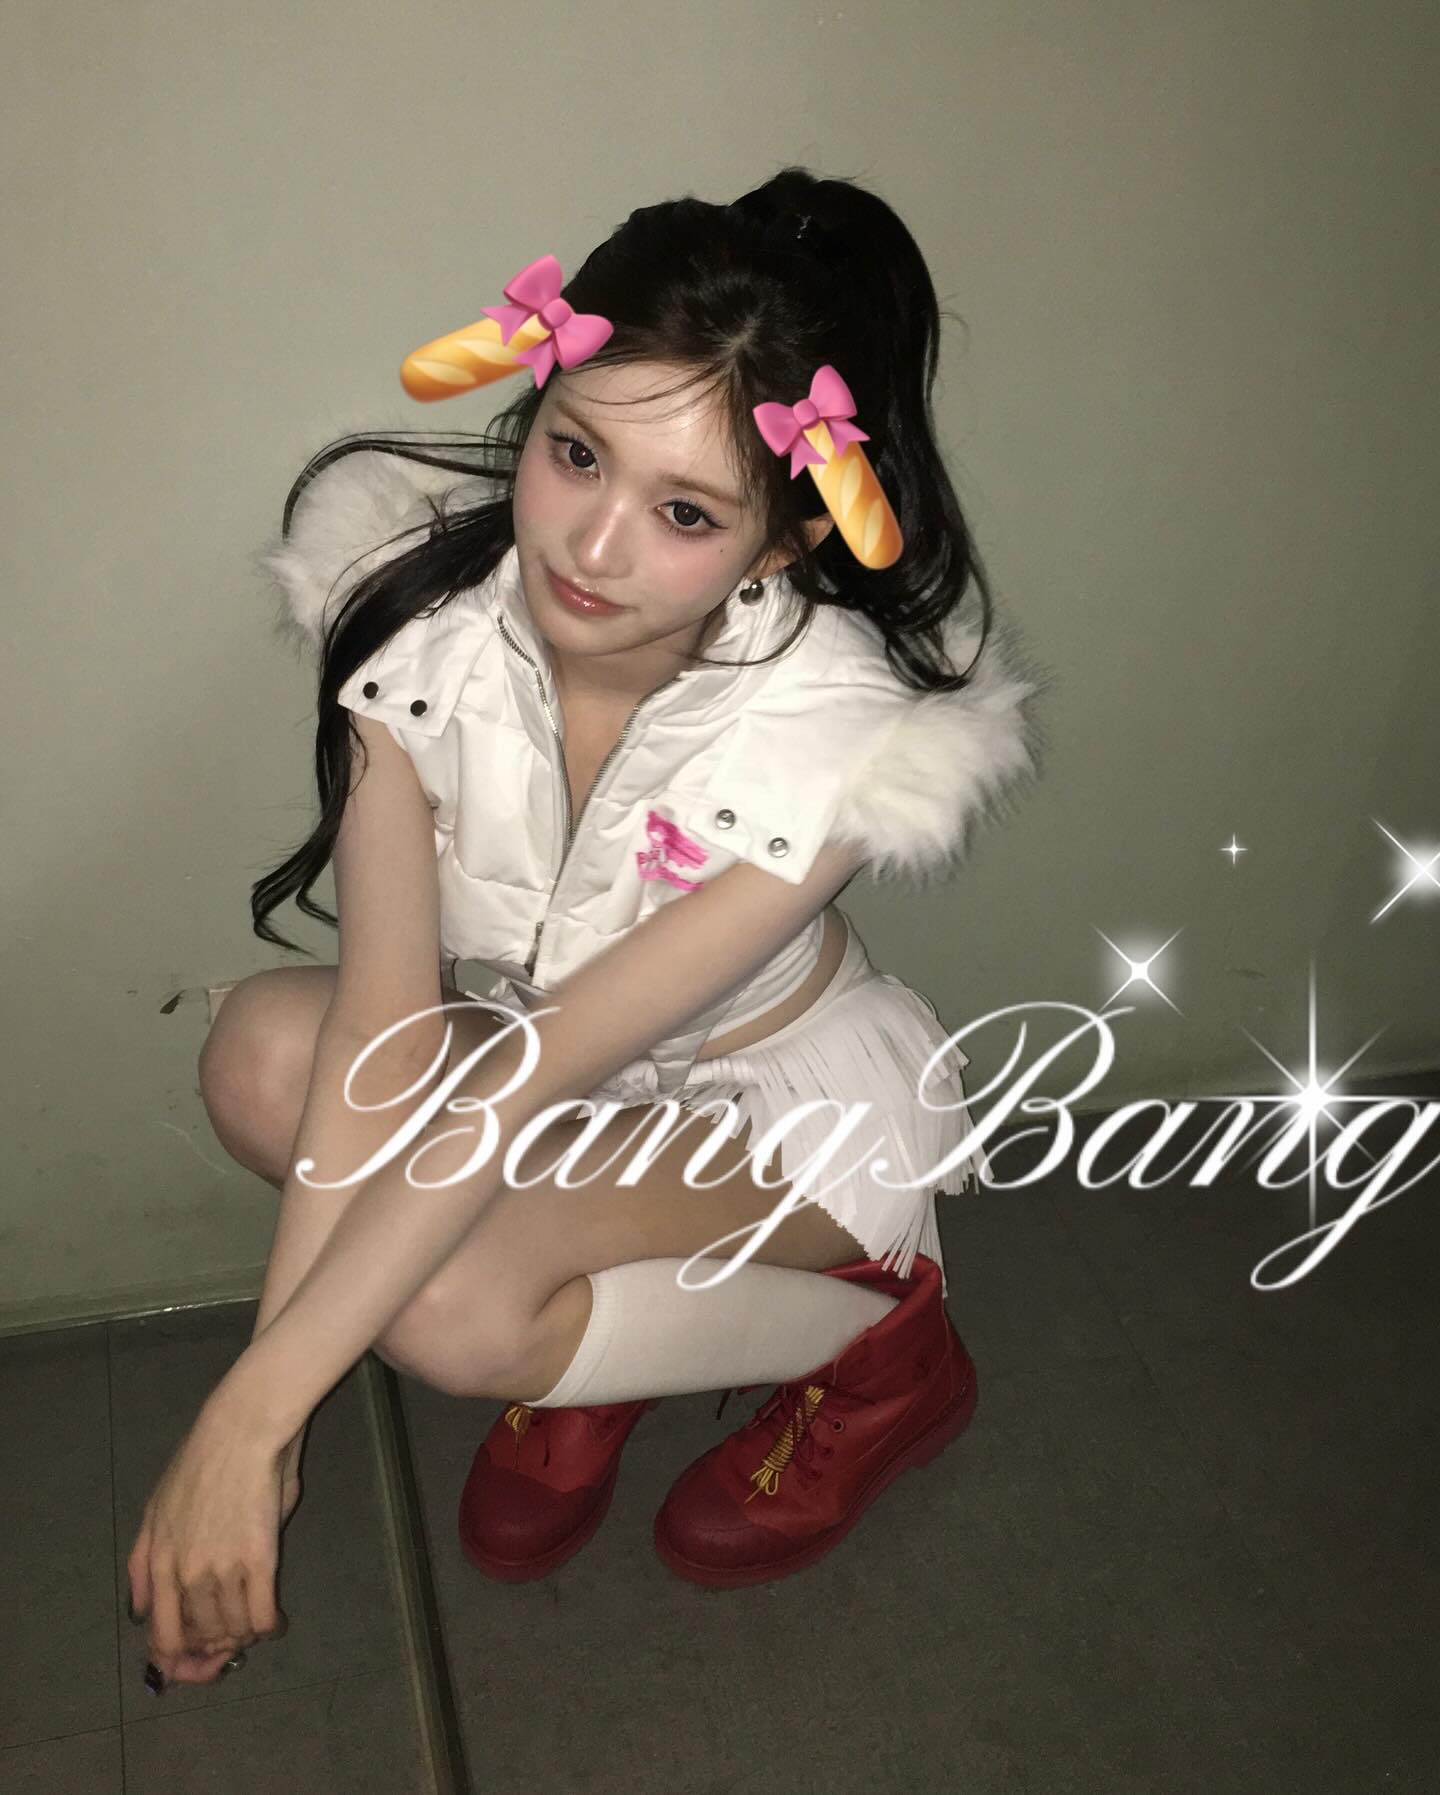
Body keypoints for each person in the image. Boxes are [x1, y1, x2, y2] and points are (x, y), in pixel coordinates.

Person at [128, 166, 1048, 1683]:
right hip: (567, 1080)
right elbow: (381, 1027)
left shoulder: (838, 742)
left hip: (774, 1109)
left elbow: (532, 1070)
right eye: (576, 454)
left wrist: (253, 1417)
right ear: (536, 406)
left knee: (443, 1308)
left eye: (684, 511)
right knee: (259, 1061)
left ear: (777, 546)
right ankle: (596, 1337)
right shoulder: (414, 626)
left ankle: (888, 1351)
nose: (592, 547)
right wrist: (258, 1426)